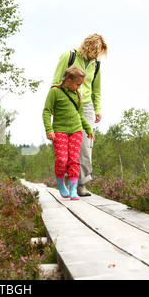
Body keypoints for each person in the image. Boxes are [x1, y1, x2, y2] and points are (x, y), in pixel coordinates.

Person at [50, 34, 108, 196]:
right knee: (64, 148)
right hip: (66, 103)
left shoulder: (96, 64)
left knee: (84, 146)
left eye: (99, 53)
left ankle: (80, 184)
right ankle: (63, 179)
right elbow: (55, 82)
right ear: (88, 46)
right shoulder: (69, 57)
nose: (97, 55)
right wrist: (54, 105)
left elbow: (97, 89)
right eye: (95, 51)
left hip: (86, 106)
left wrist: (98, 109)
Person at [43, 66, 95, 200]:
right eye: (78, 84)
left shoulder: (77, 95)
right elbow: (47, 111)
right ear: (69, 80)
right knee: (61, 160)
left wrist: (88, 130)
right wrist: (49, 129)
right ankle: (61, 184)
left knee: (74, 160)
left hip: (76, 131)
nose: (79, 87)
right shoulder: (55, 92)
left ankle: (73, 189)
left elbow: (80, 115)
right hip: (59, 131)